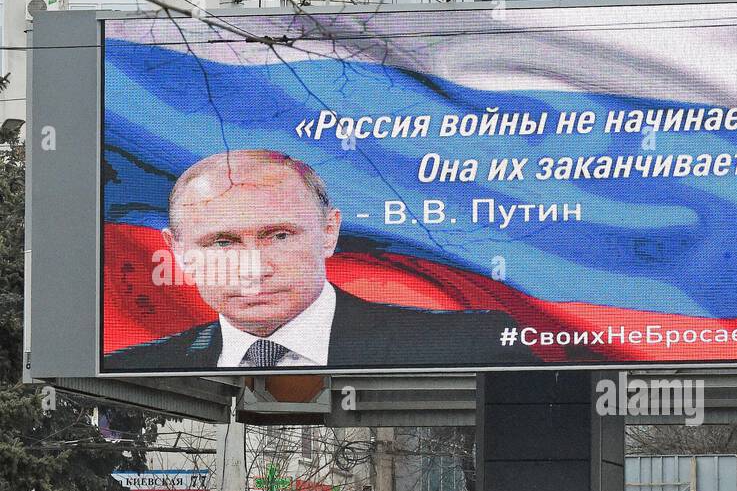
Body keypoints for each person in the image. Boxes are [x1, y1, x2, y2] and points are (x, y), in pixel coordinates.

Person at [103, 149, 535, 372]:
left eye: (279, 236)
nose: (254, 269)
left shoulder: (471, 343)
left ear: (330, 232)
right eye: (222, 242)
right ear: (179, 250)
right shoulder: (133, 366)